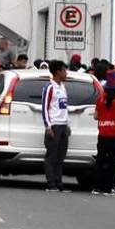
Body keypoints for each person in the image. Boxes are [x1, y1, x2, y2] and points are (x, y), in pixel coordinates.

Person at [93, 72, 115, 196]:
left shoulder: (100, 99)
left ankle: (97, 187)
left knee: (100, 160)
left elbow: (95, 116)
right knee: (112, 161)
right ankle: (109, 188)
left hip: (102, 133)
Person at [43, 60, 71, 192]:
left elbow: (65, 107)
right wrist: (48, 126)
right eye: (64, 70)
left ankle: (59, 182)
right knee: (52, 156)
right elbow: (45, 107)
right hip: (54, 125)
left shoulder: (63, 87)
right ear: (58, 72)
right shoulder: (50, 87)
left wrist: (67, 123)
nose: (66, 73)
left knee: (61, 156)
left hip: (63, 124)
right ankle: (51, 183)